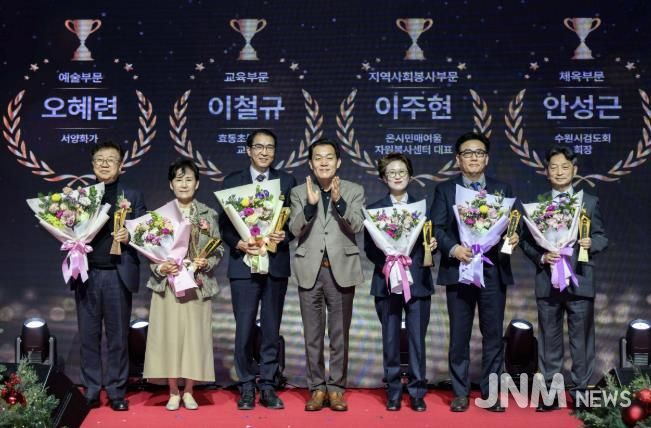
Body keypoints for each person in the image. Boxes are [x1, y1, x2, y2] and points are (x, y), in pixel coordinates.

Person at [431, 131, 519, 412]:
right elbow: (437, 227)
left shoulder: (502, 189)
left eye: (479, 153)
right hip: (460, 269)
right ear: (458, 159)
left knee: (493, 334)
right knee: (459, 334)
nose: (473, 158)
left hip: (492, 270)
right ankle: (460, 392)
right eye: (467, 153)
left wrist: (513, 238)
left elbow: (513, 226)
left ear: (487, 159)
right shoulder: (446, 190)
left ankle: (491, 392)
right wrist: (454, 248)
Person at [520, 145, 607, 411]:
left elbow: (602, 237)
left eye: (565, 167)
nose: (559, 172)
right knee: (549, 339)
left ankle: (581, 393)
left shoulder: (589, 202)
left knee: (582, 341)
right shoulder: (537, 205)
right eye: (554, 167)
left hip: (580, 278)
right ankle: (550, 393)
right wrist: (542, 257)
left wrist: (591, 243)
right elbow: (525, 242)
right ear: (546, 172)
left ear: (574, 170)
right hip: (548, 280)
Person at [219, 129, 296, 410]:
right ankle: (247, 385)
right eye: (259, 147)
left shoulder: (286, 181)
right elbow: (224, 226)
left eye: (270, 147)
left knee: (272, 328)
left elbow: (294, 222)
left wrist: (285, 235)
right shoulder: (232, 182)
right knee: (244, 328)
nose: (265, 152)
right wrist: (238, 242)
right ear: (248, 150)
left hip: (275, 264)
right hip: (244, 265)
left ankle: (268, 385)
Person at [289, 138, 365, 412]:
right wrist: (310, 207)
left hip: (340, 269)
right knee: (312, 335)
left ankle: (336, 389)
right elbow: (294, 229)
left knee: (339, 334)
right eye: (318, 158)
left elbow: (357, 225)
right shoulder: (299, 192)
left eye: (329, 157)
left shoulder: (353, 190)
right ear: (310, 164)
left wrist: (339, 202)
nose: (324, 162)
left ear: (338, 162)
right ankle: (317, 389)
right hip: (310, 269)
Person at [143, 159, 224, 411]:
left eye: (189, 179)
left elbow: (218, 249)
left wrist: (206, 262)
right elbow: (149, 252)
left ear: (197, 184)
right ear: (171, 184)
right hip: (167, 284)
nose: (184, 184)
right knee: (169, 336)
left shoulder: (208, 214)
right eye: (179, 179)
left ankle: (189, 390)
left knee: (194, 338)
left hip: (197, 283)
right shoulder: (159, 216)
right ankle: (172, 391)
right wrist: (160, 268)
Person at [75, 141, 146, 411]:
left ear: (120, 165)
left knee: (118, 338)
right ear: (93, 165)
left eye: (111, 159)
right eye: (100, 159)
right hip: (87, 273)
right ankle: (92, 389)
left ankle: (116, 391)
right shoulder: (80, 197)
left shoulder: (133, 195)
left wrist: (131, 235)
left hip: (118, 274)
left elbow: (147, 232)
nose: (105, 164)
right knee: (88, 337)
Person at [363, 153, 437, 412]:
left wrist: (432, 245)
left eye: (402, 172)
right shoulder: (374, 211)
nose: (397, 176)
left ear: (410, 175)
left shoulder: (423, 208)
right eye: (391, 172)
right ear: (384, 178)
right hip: (386, 281)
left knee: (417, 340)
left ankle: (416, 391)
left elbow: (431, 242)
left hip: (418, 281)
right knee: (391, 339)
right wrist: (391, 259)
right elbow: (369, 249)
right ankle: (393, 391)